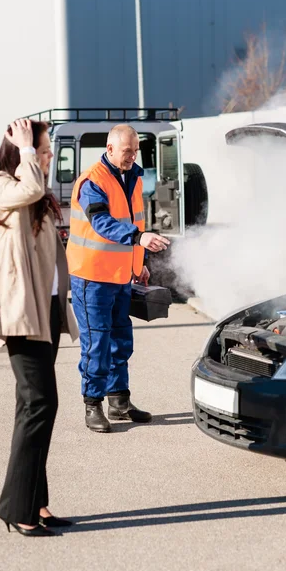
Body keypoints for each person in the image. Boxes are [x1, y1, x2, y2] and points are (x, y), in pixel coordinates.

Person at [0, 118, 78, 536]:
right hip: (22, 312)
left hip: (48, 310)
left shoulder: (32, 182)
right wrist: (24, 147)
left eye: (45, 152)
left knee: (36, 406)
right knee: (39, 404)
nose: (46, 158)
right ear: (20, 148)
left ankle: (35, 503)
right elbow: (31, 189)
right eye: (42, 150)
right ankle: (16, 508)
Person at [67, 124, 170, 433]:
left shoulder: (133, 178)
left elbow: (134, 220)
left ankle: (120, 403)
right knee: (97, 343)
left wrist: (140, 262)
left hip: (120, 275)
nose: (132, 156)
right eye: (127, 151)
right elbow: (102, 224)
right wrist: (138, 239)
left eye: (135, 151)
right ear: (110, 149)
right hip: (91, 278)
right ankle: (93, 405)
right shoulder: (91, 182)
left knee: (121, 341)